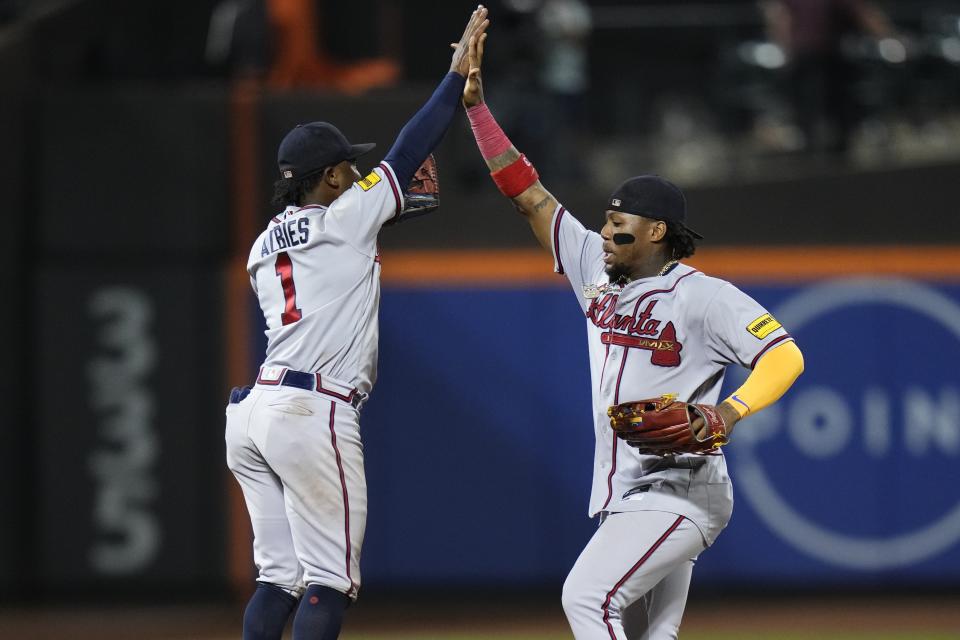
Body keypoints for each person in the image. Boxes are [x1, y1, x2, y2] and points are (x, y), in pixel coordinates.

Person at [461, 33, 804, 639]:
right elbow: (528, 195)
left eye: (620, 222)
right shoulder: (596, 268)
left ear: (658, 232)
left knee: (587, 598)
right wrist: (477, 111)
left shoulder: (705, 296)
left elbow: (784, 356)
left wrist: (727, 411)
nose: (606, 229)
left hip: (682, 487)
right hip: (626, 489)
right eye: (607, 219)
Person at [224, 7, 489, 640]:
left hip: (254, 412)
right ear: (328, 176)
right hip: (312, 412)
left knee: (277, 579)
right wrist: (455, 77)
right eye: (346, 166)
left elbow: (329, 240)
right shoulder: (344, 219)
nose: (354, 173)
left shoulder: (265, 244)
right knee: (328, 582)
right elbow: (409, 148)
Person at [760, 0, 896, 152]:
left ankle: (822, 145)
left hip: (819, 53)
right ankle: (825, 145)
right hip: (818, 53)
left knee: (817, 103)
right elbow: (863, 13)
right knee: (823, 102)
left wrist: (784, 47)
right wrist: (887, 37)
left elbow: (779, 17)